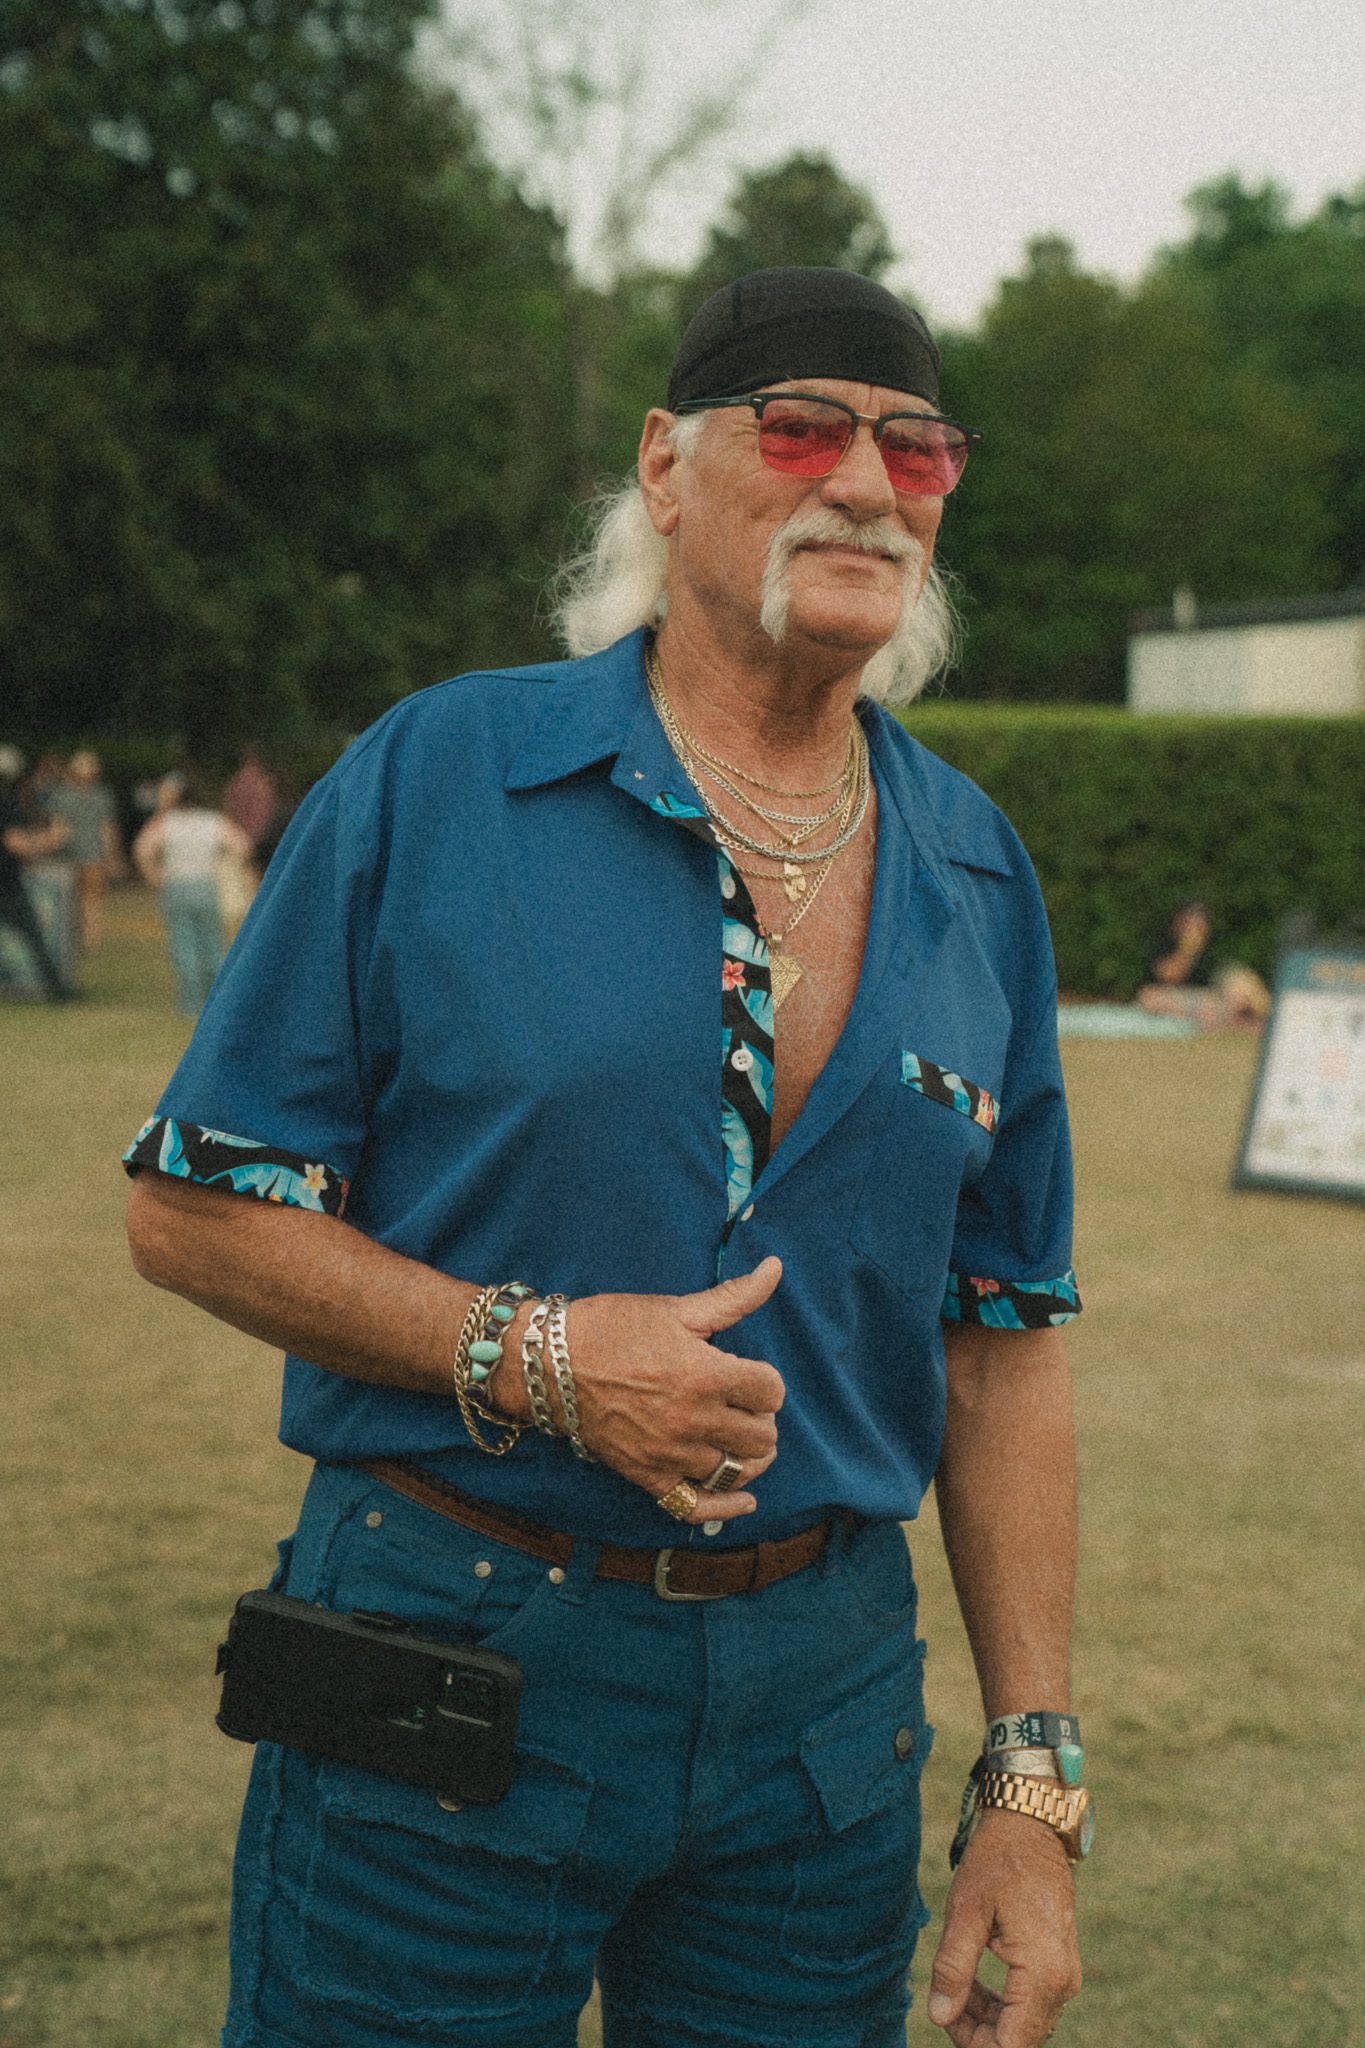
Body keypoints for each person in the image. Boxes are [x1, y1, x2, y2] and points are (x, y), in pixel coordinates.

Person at [124, 267, 1086, 2048]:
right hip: (452, 1648)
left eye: (917, 448)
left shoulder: (975, 869)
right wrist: (537, 1352)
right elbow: (192, 1206)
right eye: (799, 429)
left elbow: (1001, 1345)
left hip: (821, 1715)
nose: (864, 482)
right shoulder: (444, 772)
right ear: (662, 466)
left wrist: (1033, 1781)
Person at [132, 770, 251, 1015]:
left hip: (176, 885)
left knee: (183, 943)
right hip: (206, 885)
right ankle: (219, 998)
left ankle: (189, 1002)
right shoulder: (213, 820)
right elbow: (243, 846)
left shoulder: (165, 822)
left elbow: (142, 848)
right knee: (214, 942)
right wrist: (225, 864)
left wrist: (153, 874)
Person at [0, 747, 77, 1001]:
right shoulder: (5, 802)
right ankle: (57, 990)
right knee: (31, 934)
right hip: (5, 883)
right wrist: (52, 840)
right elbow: (16, 843)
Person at [1138, 897, 1270, 1029]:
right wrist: (1187, 949)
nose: (1194, 929)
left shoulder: (1212, 948)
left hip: (1208, 998)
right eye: (1189, 922)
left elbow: (1224, 978)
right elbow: (1169, 977)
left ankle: (1270, 1017)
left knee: (1240, 983)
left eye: (1199, 923)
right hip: (1174, 997)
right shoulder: (1164, 945)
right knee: (1151, 997)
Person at [49, 749, 122, 954]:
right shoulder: (102, 795)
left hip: (73, 854)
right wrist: (111, 855)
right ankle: (90, 941)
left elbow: (57, 827)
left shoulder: (62, 795)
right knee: (89, 900)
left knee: (78, 899)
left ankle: (83, 940)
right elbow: (107, 828)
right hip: (86, 853)